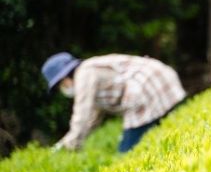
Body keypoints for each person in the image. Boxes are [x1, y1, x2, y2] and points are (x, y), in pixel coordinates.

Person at [41, 52, 186, 153]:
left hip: (149, 88)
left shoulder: (84, 73)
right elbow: (91, 119)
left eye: (61, 84)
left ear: (65, 77)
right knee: (165, 136)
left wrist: (72, 143)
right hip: (155, 85)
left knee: (127, 152)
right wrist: (66, 143)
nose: (63, 88)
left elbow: (82, 111)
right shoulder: (88, 73)